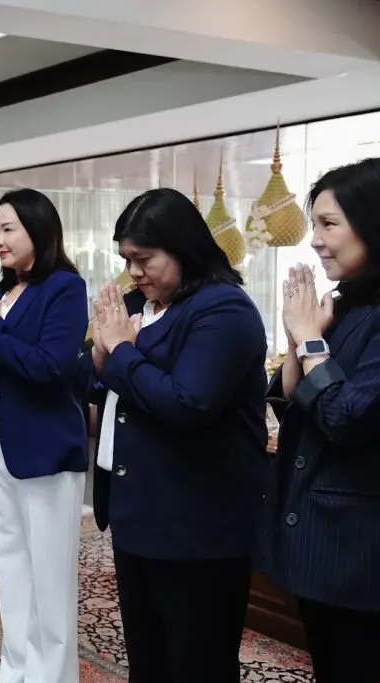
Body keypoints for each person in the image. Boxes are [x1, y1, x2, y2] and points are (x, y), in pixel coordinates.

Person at [87, 187, 268, 683]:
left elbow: (187, 402)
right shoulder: (139, 304)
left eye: (144, 259)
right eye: (126, 260)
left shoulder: (222, 309)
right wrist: (102, 355)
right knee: (149, 658)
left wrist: (120, 351)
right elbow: (101, 379)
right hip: (138, 512)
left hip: (197, 524)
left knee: (197, 662)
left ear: (183, 248)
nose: (133, 272)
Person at [0, 188, 89, 683]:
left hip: (46, 448)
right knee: (10, 567)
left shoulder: (64, 288)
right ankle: (16, 670)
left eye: (8, 229)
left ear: (39, 230)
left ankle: (52, 675)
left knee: (50, 578)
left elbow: (50, 367)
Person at [258, 158, 380, 683]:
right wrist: (297, 339)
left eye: (329, 223)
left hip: (360, 554)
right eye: (314, 224)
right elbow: (290, 403)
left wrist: (310, 341)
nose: (315, 240)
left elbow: (345, 417)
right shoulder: (346, 305)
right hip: (318, 541)